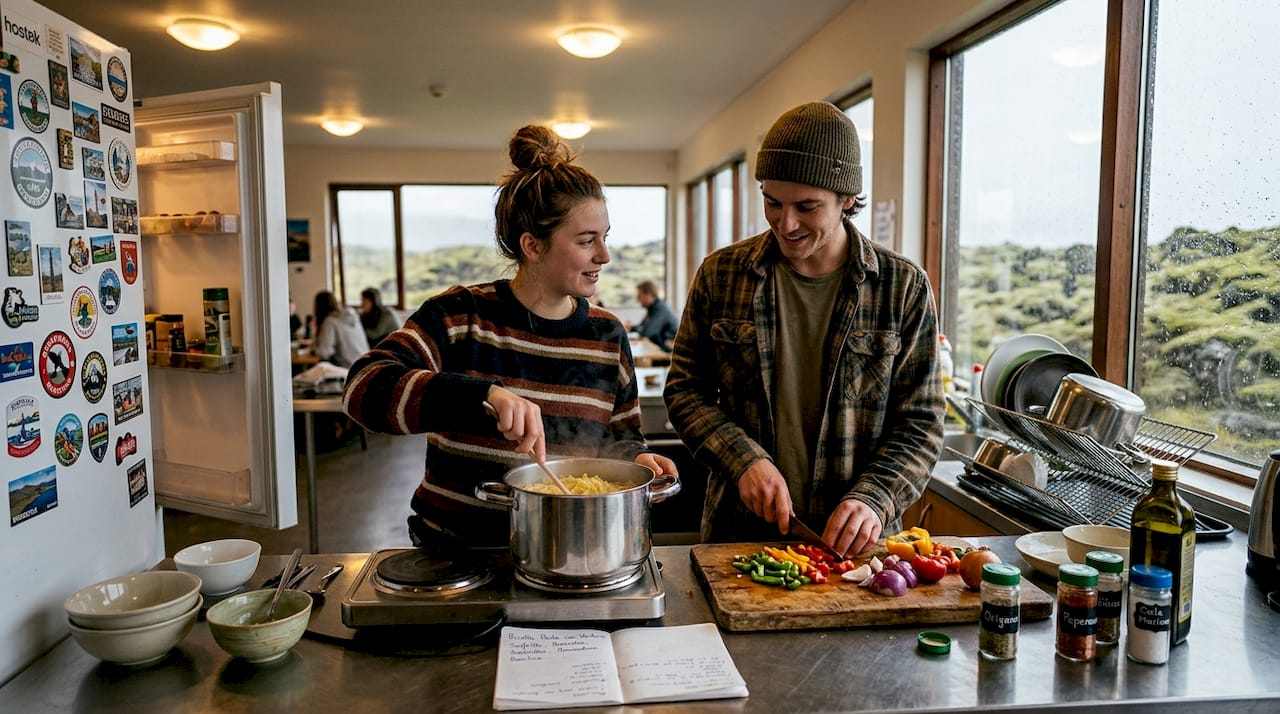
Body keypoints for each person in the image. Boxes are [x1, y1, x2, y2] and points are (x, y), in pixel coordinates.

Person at [342, 124, 678, 548]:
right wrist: (483, 395)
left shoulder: (606, 334)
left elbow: (620, 439)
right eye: (586, 240)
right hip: (452, 552)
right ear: (533, 246)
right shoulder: (461, 315)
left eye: (605, 238)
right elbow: (361, 388)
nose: (604, 255)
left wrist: (636, 459)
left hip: (567, 550)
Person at [663, 101, 944, 557]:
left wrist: (875, 497)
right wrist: (743, 459)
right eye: (772, 202)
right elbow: (685, 391)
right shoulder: (721, 274)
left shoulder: (902, 287)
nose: (786, 223)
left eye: (807, 206)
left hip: (858, 552)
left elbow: (922, 422)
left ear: (847, 199)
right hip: (739, 535)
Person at [312, 291, 370, 368]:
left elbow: (324, 353)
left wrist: (314, 348)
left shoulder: (330, 321)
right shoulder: (353, 316)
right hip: (366, 366)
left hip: (348, 370)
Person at [630, 280, 679, 352]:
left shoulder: (660, 309)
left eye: (639, 296)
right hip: (660, 348)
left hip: (668, 352)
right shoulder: (652, 308)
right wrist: (632, 328)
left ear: (649, 294)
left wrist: (635, 329)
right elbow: (642, 326)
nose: (638, 300)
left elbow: (647, 333)